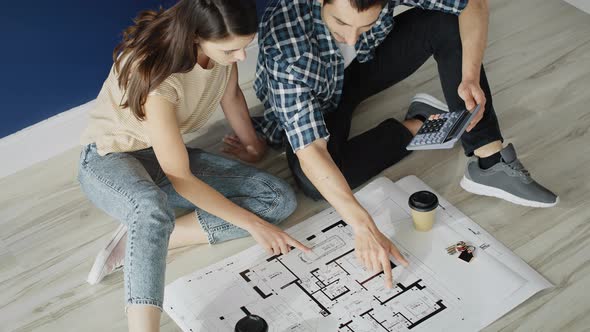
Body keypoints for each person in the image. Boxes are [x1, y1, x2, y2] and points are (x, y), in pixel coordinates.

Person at [250, 0, 558, 287]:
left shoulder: (355, 39)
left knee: (446, 21)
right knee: (314, 183)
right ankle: (419, 122)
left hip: (361, 68)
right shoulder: (284, 42)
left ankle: (489, 160)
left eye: (366, 27)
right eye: (340, 24)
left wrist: (470, 75)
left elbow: (472, 3)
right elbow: (310, 150)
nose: (351, 39)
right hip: (318, 100)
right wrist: (363, 226)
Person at [78, 0, 309, 330]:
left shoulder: (218, 51)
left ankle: (145, 239)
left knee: (278, 199)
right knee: (149, 208)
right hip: (108, 159)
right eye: (231, 51)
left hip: (161, 156)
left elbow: (230, 96)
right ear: (196, 36)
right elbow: (181, 178)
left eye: (246, 47)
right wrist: (253, 225)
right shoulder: (158, 78)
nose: (241, 58)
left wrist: (252, 145)